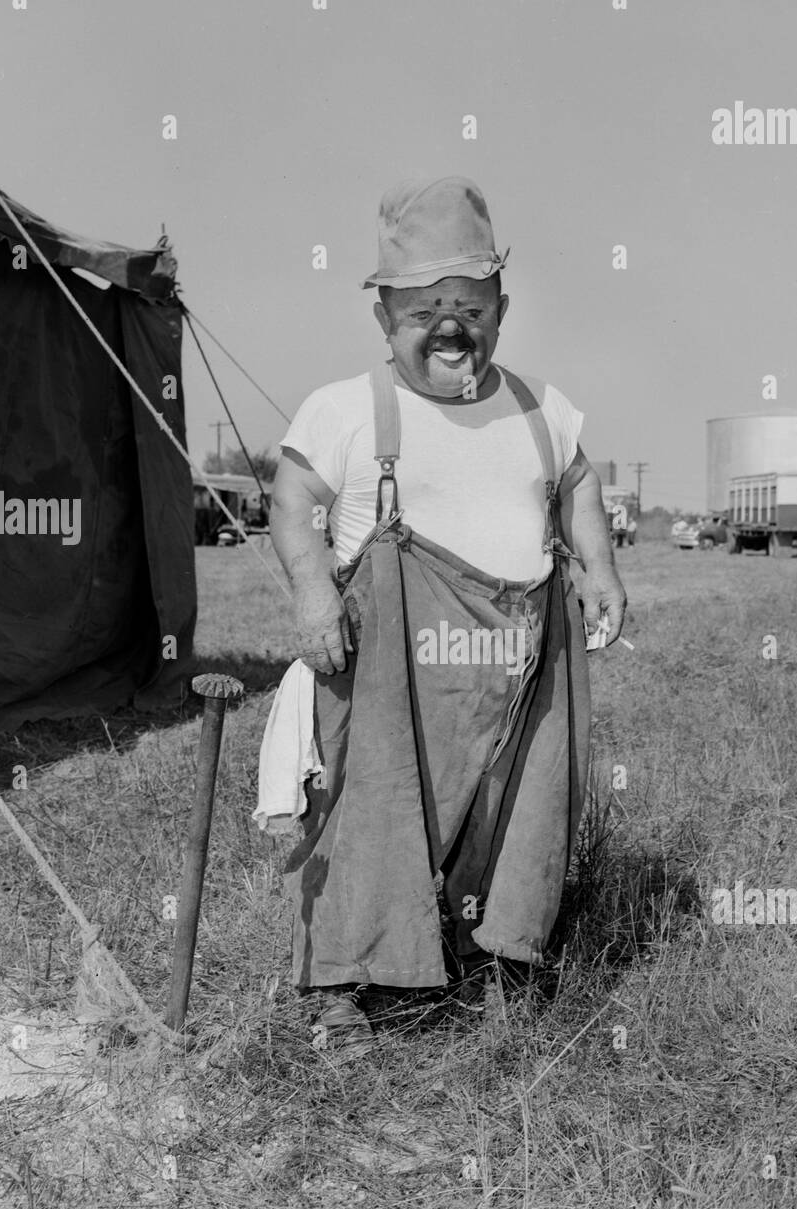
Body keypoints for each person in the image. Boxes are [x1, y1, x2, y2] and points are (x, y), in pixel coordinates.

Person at [268, 176, 626, 1055]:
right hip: (390, 665)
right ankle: (341, 990)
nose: (449, 324)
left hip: (521, 655)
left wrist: (599, 567)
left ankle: (495, 960)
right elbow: (291, 500)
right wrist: (315, 593)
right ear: (384, 317)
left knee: (521, 806)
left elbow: (578, 483)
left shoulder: (546, 408)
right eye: (424, 307)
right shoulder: (347, 409)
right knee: (369, 810)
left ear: (501, 305)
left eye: (468, 302)